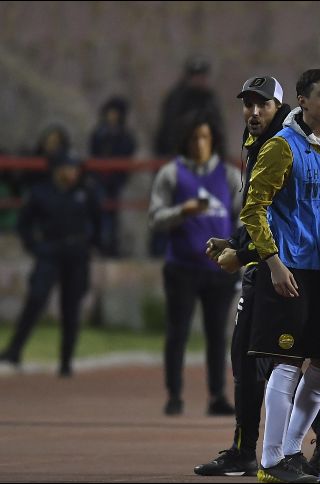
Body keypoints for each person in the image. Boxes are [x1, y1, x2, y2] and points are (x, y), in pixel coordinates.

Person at [239, 68, 320, 483]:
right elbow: (253, 208)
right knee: (286, 363)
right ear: (302, 101)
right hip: (289, 269)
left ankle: (291, 451)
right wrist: (273, 262)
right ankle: (270, 461)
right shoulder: (282, 147)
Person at [193, 75, 292, 476]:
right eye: (248, 104)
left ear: (279, 107)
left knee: (277, 363)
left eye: (262, 104)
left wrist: (243, 254)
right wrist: (233, 241)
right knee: (260, 362)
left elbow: (288, 219)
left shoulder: (282, 145)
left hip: (279, 269)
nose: (253, 111)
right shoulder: (258, 142)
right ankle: (252, 450)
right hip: (266, 267)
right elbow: (257, 213)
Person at [148, 110, 240, 416]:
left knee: (217, 335)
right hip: (182, 268)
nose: (199, 143)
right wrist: (182, 211)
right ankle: (174, 394)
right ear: (185, 142)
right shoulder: (171, 174)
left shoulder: (229, 175)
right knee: (178, 332)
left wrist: (238, 252)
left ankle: (217, 395)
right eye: (193, 138)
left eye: (204, 137)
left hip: (220, 269)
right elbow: (155, 218)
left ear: (213, 141)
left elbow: (243, 217)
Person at [0, 151, 103, 377]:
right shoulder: (41, 192)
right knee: (36, 297)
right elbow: (24, 224)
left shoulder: (85, 192)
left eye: (75, 168)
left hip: (77, 254)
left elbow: (98, 220)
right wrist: (35, 247)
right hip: (50, 251)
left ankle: (66, 361)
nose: (73, 173)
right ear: (57, 170)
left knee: (71, 306)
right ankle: (14, 351)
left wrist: (93, 245)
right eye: (68, 168)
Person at [150, 55, 226, 257]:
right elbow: (166, 133)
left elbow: (218, 133)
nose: (199, 80)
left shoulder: (209, 100)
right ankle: (160, 251)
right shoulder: (177, 100)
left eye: (202, 76)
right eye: (195, 76)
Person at [89, 95, 137, 258]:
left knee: (112, 214)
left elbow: (127, 153)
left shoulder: (124, 136)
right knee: (100, 212)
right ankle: (102, 244)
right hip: (100, 179)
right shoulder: (99, 134)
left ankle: (110, 245)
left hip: (115, 181)